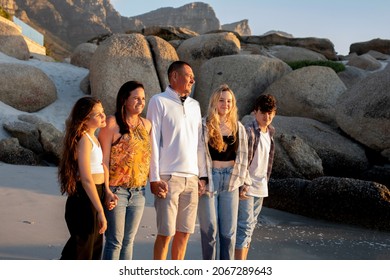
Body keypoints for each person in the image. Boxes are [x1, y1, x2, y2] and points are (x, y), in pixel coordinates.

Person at [146, 61, 207, 260]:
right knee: (166, 233)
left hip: (191, 179)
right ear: (174, 76)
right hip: (168, 177)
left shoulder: (195, 106)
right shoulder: (158, 101)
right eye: (188, 75)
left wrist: (202, 176)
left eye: (193, 76)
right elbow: (152, 140)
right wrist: (154, 177)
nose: (193, 79)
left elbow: (199, 143)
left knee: (185, 233)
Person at [197, 84, 252, 260]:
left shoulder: (238, 128)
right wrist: (201, 178)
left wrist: (244, 183)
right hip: (209, 179)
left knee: (228, 232)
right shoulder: (204, 126)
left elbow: (243, 159)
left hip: (231, 181)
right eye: (221, 100)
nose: (225, 104)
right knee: (210, 230)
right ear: (214, 101)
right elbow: (198, 153)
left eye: (229, 101)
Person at [98, 81, 151, 260]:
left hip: (139, 192)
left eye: (143, 98)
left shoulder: (147, 125)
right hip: (116, 191)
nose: (141, 102)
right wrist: (106, 190)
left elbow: (148, 157)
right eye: (136, 98)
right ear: (124, 99)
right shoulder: (111, 123)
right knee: (115, 241)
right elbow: (103, 160)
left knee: (129, 241)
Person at [58, 96, 109, 260]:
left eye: (103, 112)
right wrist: (100, 211)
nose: (103, 116)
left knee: (94, 246)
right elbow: (86, 179)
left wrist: (107, 191)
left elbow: (102, 167)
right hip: (84, 198)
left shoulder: (95, 138)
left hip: (97, 193)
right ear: (85, 119)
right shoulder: (85, 141)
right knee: (83, 249)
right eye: (97, 114)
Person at [235, 94, 277, 260]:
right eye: (263, 113)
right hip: (246, 186)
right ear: (255, 112)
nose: (267, 117)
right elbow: (241, 159)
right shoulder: (249, 131)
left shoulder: (270, 133)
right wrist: (242, 183)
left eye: (270, 113)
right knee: (244, 226)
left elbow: (267, 162)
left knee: (250, 227)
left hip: (261, 186)